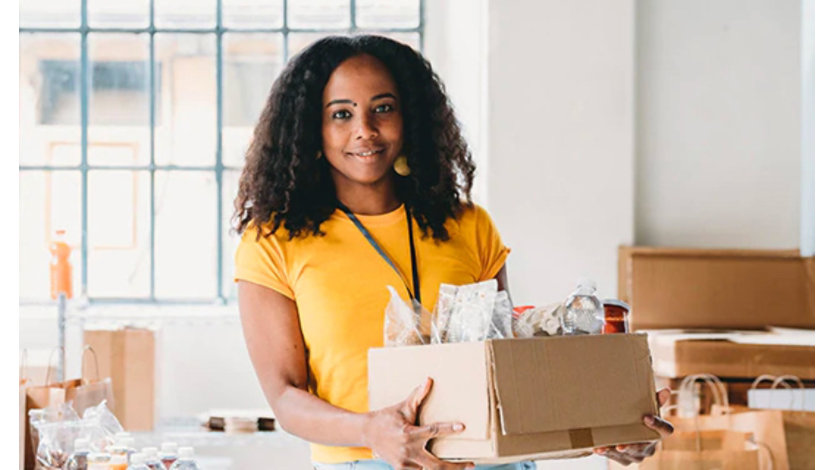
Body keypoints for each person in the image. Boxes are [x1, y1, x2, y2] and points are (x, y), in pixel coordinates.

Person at [233, 35, 672, 470]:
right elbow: (286, 398)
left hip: (490, 462)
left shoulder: (468, 225)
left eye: (383, 108)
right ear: (312, 127)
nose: (364, 129)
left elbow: (508, 364)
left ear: (411, 118)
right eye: (341, 114)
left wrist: (613, 426)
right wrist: (371, 431)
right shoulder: (274, 242)